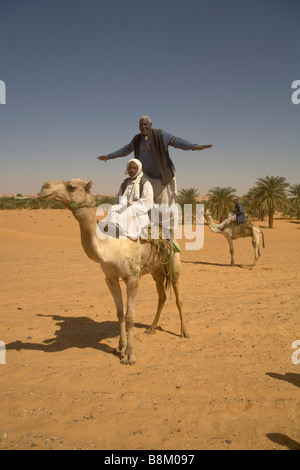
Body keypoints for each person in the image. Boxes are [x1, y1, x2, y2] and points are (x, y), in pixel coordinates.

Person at [97, 116, 212, 207]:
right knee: (148, 208)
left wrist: (193, 146)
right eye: (141, 125)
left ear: (150, 125)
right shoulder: (137, 139)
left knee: (166, 208)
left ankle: (168, 236)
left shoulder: (160, 135)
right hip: (147, 179)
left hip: (163, 178)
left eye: (145, 124)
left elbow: (177, 142)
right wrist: (108, 156)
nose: (143, 127)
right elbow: (125, 150)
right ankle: (152, 235)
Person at [102, 159, 154, 240]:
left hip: (138, 211)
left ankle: (118, 227)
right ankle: (111, 225)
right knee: (113, 207)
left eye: (134, 168)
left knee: (131, 209)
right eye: (130, 168)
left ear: (139, 169)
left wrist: (132, 205)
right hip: (124, 208)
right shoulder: (124, 184)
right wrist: (120, 207)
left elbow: (148, 201)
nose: (132, 170)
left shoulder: (145, 183)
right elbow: (119, 200)